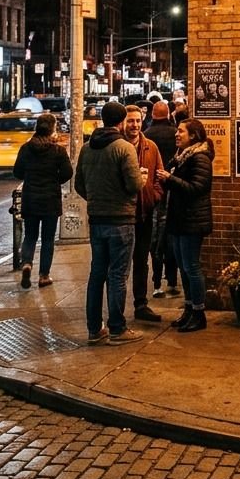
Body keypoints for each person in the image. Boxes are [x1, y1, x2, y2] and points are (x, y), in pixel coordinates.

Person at [74, 101, 145, 345]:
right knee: (117, 275)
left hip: (97, 220)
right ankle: (117, 328)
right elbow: (134, 185)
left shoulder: (87, 148)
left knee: (97, 274)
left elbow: (79, 184)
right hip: (121, 220)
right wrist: (142, 179)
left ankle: (94, 329)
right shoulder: (124, 148)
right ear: (122, 121)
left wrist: (96, 199)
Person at [156, 118, 213, 333]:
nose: (176, 134)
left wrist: (170, 179)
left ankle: (198, 313)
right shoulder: (182, 156)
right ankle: (189, 310)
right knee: (183, 267)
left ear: (193, 135)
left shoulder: (200, 158)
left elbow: (198, 188)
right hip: (180, 219)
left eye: (181, 131)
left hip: (192, 220)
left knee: (192, 267)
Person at [13, 112, 73, 289]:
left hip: (30, 198)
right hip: (50, 200)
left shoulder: (26, 149)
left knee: (30, 236)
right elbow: (68, 173)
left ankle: (27, 263)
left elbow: (17, 172)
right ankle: (44, 275)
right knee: (48, 239)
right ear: (53, 129)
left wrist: (29, 176)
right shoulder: (58, 151)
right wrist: (55, 180)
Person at [123, 104, 164, 322]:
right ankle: (117, 310)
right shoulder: (118, 147)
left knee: (141, 260)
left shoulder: (151, 147)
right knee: (120, 264)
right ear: (123, 122)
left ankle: (141, 304)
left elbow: (159, 175)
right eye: (130, 121)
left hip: (144, 214)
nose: (135, 125)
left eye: (138, 121)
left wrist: (154, 196)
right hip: (123, 215)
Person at [145, 100, 180, 298]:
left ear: (153, 114)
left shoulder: (147, 135)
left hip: (154, 192)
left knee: (155, 238)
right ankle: (172, 280)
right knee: (170, 236)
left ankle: (157, 282)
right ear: (168, 114)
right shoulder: (175, 134)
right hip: (172, 191)